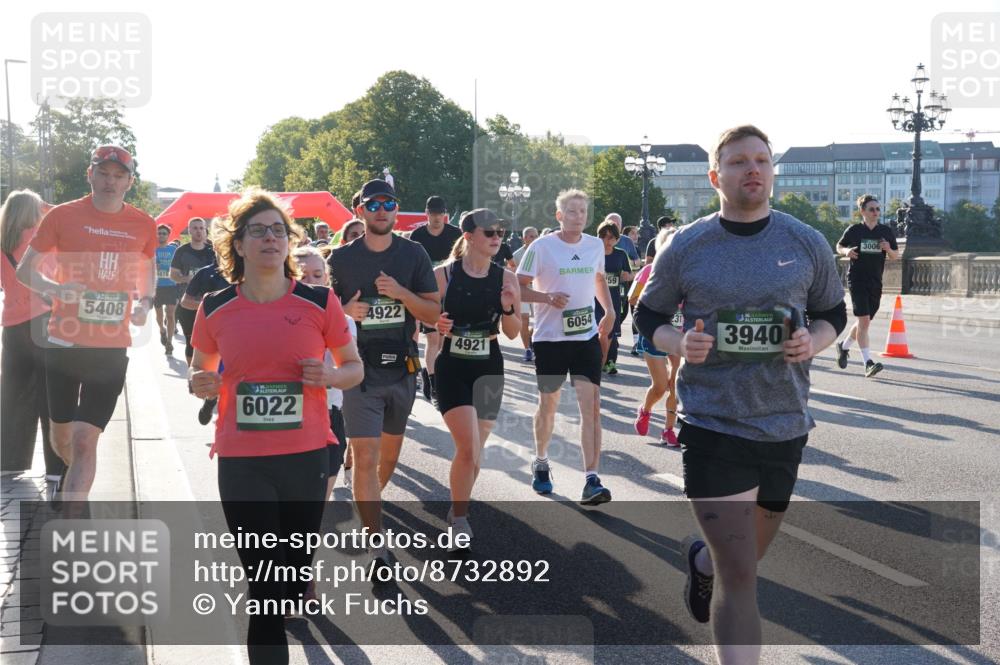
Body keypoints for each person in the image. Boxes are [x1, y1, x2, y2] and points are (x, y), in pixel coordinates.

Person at [635, 125, 846, 665]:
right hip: (712, 426)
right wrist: (679, 341)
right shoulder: (687, 245)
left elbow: (833, 313)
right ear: (716, 177)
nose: (752, 169)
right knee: (744, 578)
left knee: (744, 559)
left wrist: (812, 341)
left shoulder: (805, 241)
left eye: (761, 160)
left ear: (772, 172)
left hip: (784, 424)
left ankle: (702, 560)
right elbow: (649, 315)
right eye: (737, 162)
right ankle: (718, 570)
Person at [189, 188, 362, 665]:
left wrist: (331, 375)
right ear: (238, 244)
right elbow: (200, 369)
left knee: (287, 580)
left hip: (305, 458)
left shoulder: (318, 300)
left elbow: (353, 367)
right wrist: (201, 383)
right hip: (243, 461)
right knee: (264, 586)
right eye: (258, 230)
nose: (270, 238)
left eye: (278, 230)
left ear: (289, 242)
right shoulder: (216, 306)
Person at [16, 145, 157, 500]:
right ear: (90, 175)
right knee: (61, 436)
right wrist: (56, 289)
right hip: (64, 343)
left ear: (130, 181)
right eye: (104, 173)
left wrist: (146, 301)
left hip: (111, 347)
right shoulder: (62, 216)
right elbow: (25, 269)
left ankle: (72, 517)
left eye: (119, 176)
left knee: (85, 438)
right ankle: (70, 476)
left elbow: (147, 267)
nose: (110, 182)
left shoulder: (143, 224)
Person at [327, 178, 439, 572]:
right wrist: (345, 313)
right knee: (365, 455)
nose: (381, 210)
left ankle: (367, 506)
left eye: (388, 203)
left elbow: (431, 314)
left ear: (396, 209)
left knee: (387, 458)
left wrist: (401, 294)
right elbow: (320, 312)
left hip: (402, 369)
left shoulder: (414, 255)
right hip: (360, 371)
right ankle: (378, 546)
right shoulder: (340, 259)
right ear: (360, 210)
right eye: (372, 204)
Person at [516, 189, 615, 505]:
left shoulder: (595, 245)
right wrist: (546, 298)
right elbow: (517, 287)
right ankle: (541, 461)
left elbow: (599, 279)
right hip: (549, 339)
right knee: (550, 404)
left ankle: (591, 479)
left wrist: (609, 310)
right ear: (559, 216)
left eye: (583, 211)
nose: (579, 216)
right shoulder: (542, 248)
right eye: (572, 211)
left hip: (585, 338)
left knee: (592, 408)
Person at [432, 209, 521, 548]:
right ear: (469, 236)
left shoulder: (506, 278)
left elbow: (513, 333)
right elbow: (424, 316)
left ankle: (458, 503)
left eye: (501, 232)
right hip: (452, 365)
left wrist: (510, 308)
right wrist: (433, 324)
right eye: (490, 232)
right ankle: (459, 520)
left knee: (475, 452)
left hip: (489, 365)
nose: (497, 237)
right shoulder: (444, 275)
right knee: (468, 447)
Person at [1, 190, 66, 495]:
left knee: (13, 395)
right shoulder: (43, 239)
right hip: (43, 321)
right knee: (49, 396)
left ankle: (10, 460)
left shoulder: (3, 243)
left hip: (13, 327)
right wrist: (46, 208)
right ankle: (55, 468)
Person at [834, 194, 899, 378]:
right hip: (857, 280)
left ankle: (844, 346)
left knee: (864, 323)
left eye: (878, 209)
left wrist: (888, 249)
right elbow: (839, 246)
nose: (876, 212)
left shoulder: (885, 231)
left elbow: (895, 256)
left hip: (875, 282)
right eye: (871, 209)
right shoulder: (854, 230)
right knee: (863, 322)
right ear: (862, 211)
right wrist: (847, 251)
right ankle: (867, 363)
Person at [628, 227, 681, 446]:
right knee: (660, 385)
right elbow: (632, 299)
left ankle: (668, 430)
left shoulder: (688, 271)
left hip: (679, 333)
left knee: (675, 384)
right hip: (655, 332)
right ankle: (646, 409)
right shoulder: (649, 270)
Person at [408, 195, 462, 407]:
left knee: (445, 341)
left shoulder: (454, 233)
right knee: (433, 341)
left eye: (440, 214)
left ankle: (442, 377)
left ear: (445, 214)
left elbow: (462, 259)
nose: (437, 217)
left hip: (450, 293)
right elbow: (410, 263)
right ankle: (434, 383)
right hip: (425, 294)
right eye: (433, 214)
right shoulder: (418, 234)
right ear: (427, 214)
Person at [179, 261, 230, 425]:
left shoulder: (252, 272)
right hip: (212, 333)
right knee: (214, 374)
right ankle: (210, 400)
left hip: (238, 333)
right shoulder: (205, 273)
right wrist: (212, 307)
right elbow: (185, 301)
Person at [170, 216, 215, 366]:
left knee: (213, 343)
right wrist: (186, 278)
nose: (199, 231)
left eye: (201, 228)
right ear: (189, 230)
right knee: (191, 342)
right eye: (195, 228)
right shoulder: (182, 251)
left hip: (211, 304)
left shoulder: (213, 250)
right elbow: (173, 275)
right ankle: (192, 375)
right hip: (188, 303)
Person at [595, 220, 632, 375]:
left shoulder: (620, 254)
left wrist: (625, 276)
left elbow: (629, 274)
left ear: (617, 239)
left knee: (610, 332)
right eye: (604, 236)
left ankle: (609, 362)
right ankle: (597, 361)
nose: (607, 240)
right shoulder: (593, 253)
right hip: (595, 298)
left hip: (614, 298)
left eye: (611, 237)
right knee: (597, 330)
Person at [511, 226, 539, 361]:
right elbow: (511, 273)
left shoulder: (542, 252)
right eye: (531, 236)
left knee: (538, 321)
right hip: (521, 291)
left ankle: (533, 343)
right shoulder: (516, 255)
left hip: (538, 291)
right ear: (524, 239)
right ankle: (527, 349)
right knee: (524, 319)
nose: (534, 239)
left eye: (536, 236)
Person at [153, 224, 179, 354]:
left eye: (164, 233)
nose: (161, 235)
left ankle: (169, 342)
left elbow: (180, 264)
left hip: (171, 286)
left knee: (170, 314)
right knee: (159, 315)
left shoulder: (173, 249)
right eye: (159, 233)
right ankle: (162, 330)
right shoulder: (152, 249)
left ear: (168, 236)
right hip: (157, 287)